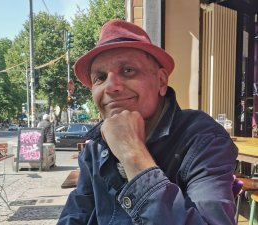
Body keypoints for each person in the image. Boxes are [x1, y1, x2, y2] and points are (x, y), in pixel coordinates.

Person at [57, 20, 238, 225]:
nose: (111, 86)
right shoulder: (95, 150)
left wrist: (132, 154)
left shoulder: (203, 139)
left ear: (161, 81)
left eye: (128, 71)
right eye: (100, 77)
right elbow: (76, 215)